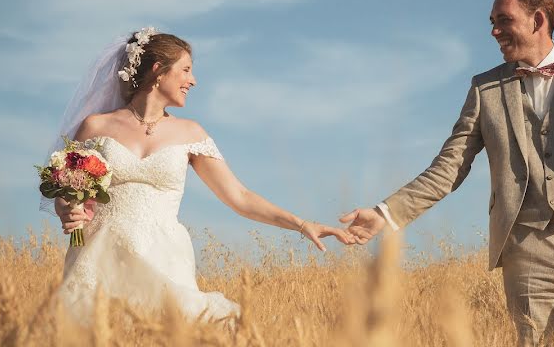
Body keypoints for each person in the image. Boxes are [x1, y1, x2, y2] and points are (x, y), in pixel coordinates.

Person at [342, 0, 554, 347]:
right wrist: (384, 214)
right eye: (492, 21)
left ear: (538, 20)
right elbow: (448, 168)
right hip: (528, 252)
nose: (494, 31)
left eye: (504, 20)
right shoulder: (484, 90)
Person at [50, 29, 352, 323]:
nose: (192, 81)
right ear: (158, 70)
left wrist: (301, 224)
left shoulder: (191, 134)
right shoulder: (96, 127)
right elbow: (67, 190)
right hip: (99, 254)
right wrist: (67, 208)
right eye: (186, 70)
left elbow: (240, 197)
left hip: (164, 254)